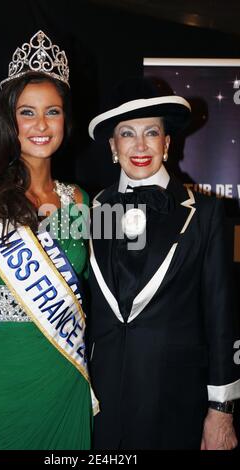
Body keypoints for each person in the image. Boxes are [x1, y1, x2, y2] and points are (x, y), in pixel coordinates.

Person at [0, 30, 97, 450]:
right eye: (27, 112)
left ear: (67, 118)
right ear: (9, 119)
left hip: (64, 385)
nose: (41, 125)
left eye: (53, 112)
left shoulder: (79, 201)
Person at [87, 76, 240, 450]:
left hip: (174, 407)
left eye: (151, 133)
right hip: (97, 407)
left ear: (166, 143)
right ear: (113, 145)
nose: (139, 146)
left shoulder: (205, 214)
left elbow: (223, 318)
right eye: (127, 134)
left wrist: (221, 410)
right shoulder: (88, 210)